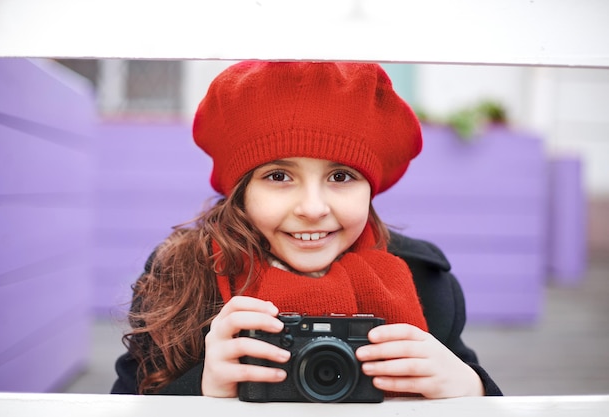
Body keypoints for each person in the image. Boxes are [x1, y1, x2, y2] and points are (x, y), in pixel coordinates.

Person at [111, 61, 503, 399]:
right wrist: (202, 389)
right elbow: (127, 400)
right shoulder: (182, 275)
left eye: (341, 175)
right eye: (279, 175)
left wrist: (472, 390)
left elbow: (473, 392)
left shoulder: (425, 284)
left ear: (370, 189)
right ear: (241, 192)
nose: (313, 208)